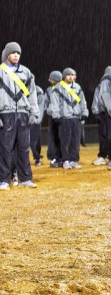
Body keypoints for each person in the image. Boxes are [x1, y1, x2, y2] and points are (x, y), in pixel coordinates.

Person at [0, 42, 40, 189]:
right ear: (6, 54)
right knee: (5, 148)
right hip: (6, 113)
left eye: (18, 53)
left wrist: (34, 112)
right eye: (13, 52)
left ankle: (25, 179)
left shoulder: (27, 73)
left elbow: (33, 94)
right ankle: (3, 180)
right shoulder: (1, 72)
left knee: (24, 147)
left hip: (23, 113)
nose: (16, 55)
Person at [48, 68, 88, 169]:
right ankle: (65, 160)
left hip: (76, 118)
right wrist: (56, 116)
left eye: (73, 75)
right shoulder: (58, 88)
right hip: (64, 118)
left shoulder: (78, 87)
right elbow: (54, 103)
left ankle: (73, 160)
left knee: (75, 141)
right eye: (68, 75)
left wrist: (84, 112)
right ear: (64, 76)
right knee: (65, 141)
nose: (71, 77)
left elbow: (83, 101)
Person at [43, 70, 63, 167]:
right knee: (62, 138)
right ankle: (62, 157)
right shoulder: (66, 88)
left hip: (54, 117)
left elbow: (45, 103)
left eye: (51, 79)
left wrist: (49, 110)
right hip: (63, 117)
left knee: (53, 138)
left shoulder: (50, 90)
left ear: (54, 79)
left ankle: (54, 158)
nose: (49, 80)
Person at [30, 85, 45, 166]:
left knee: (36, 141)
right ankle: (36, 156)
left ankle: (37, 157)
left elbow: (41, 107)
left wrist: (37, 119)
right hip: (24, 118)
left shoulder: (38, 91)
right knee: (30, 141)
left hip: (34, 120)